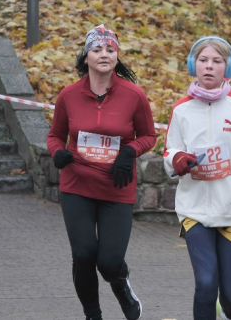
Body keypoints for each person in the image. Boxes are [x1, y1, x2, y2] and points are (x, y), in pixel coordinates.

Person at [47, 24, 157, 320]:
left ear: (117, 56)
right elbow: (54, 136)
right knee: (83, 256)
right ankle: (92, 315)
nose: (104, 54)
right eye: (97, 49)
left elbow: (149, 135)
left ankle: (122, 288)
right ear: (86, 57)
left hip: (116, 188)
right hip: (77, 186)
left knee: (109, 262)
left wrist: (129, 151)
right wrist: (58, 153)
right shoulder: (68, 95)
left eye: (110, 49)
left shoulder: (134, 95)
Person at [163, 36, 231, 320]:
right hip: (194, 211)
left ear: (227, 67)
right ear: (193, 65)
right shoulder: (181, 109)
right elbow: (169, 151)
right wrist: (176, 160)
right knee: (205, 283)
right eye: (202, 60)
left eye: (216, 61)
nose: (209, 67)